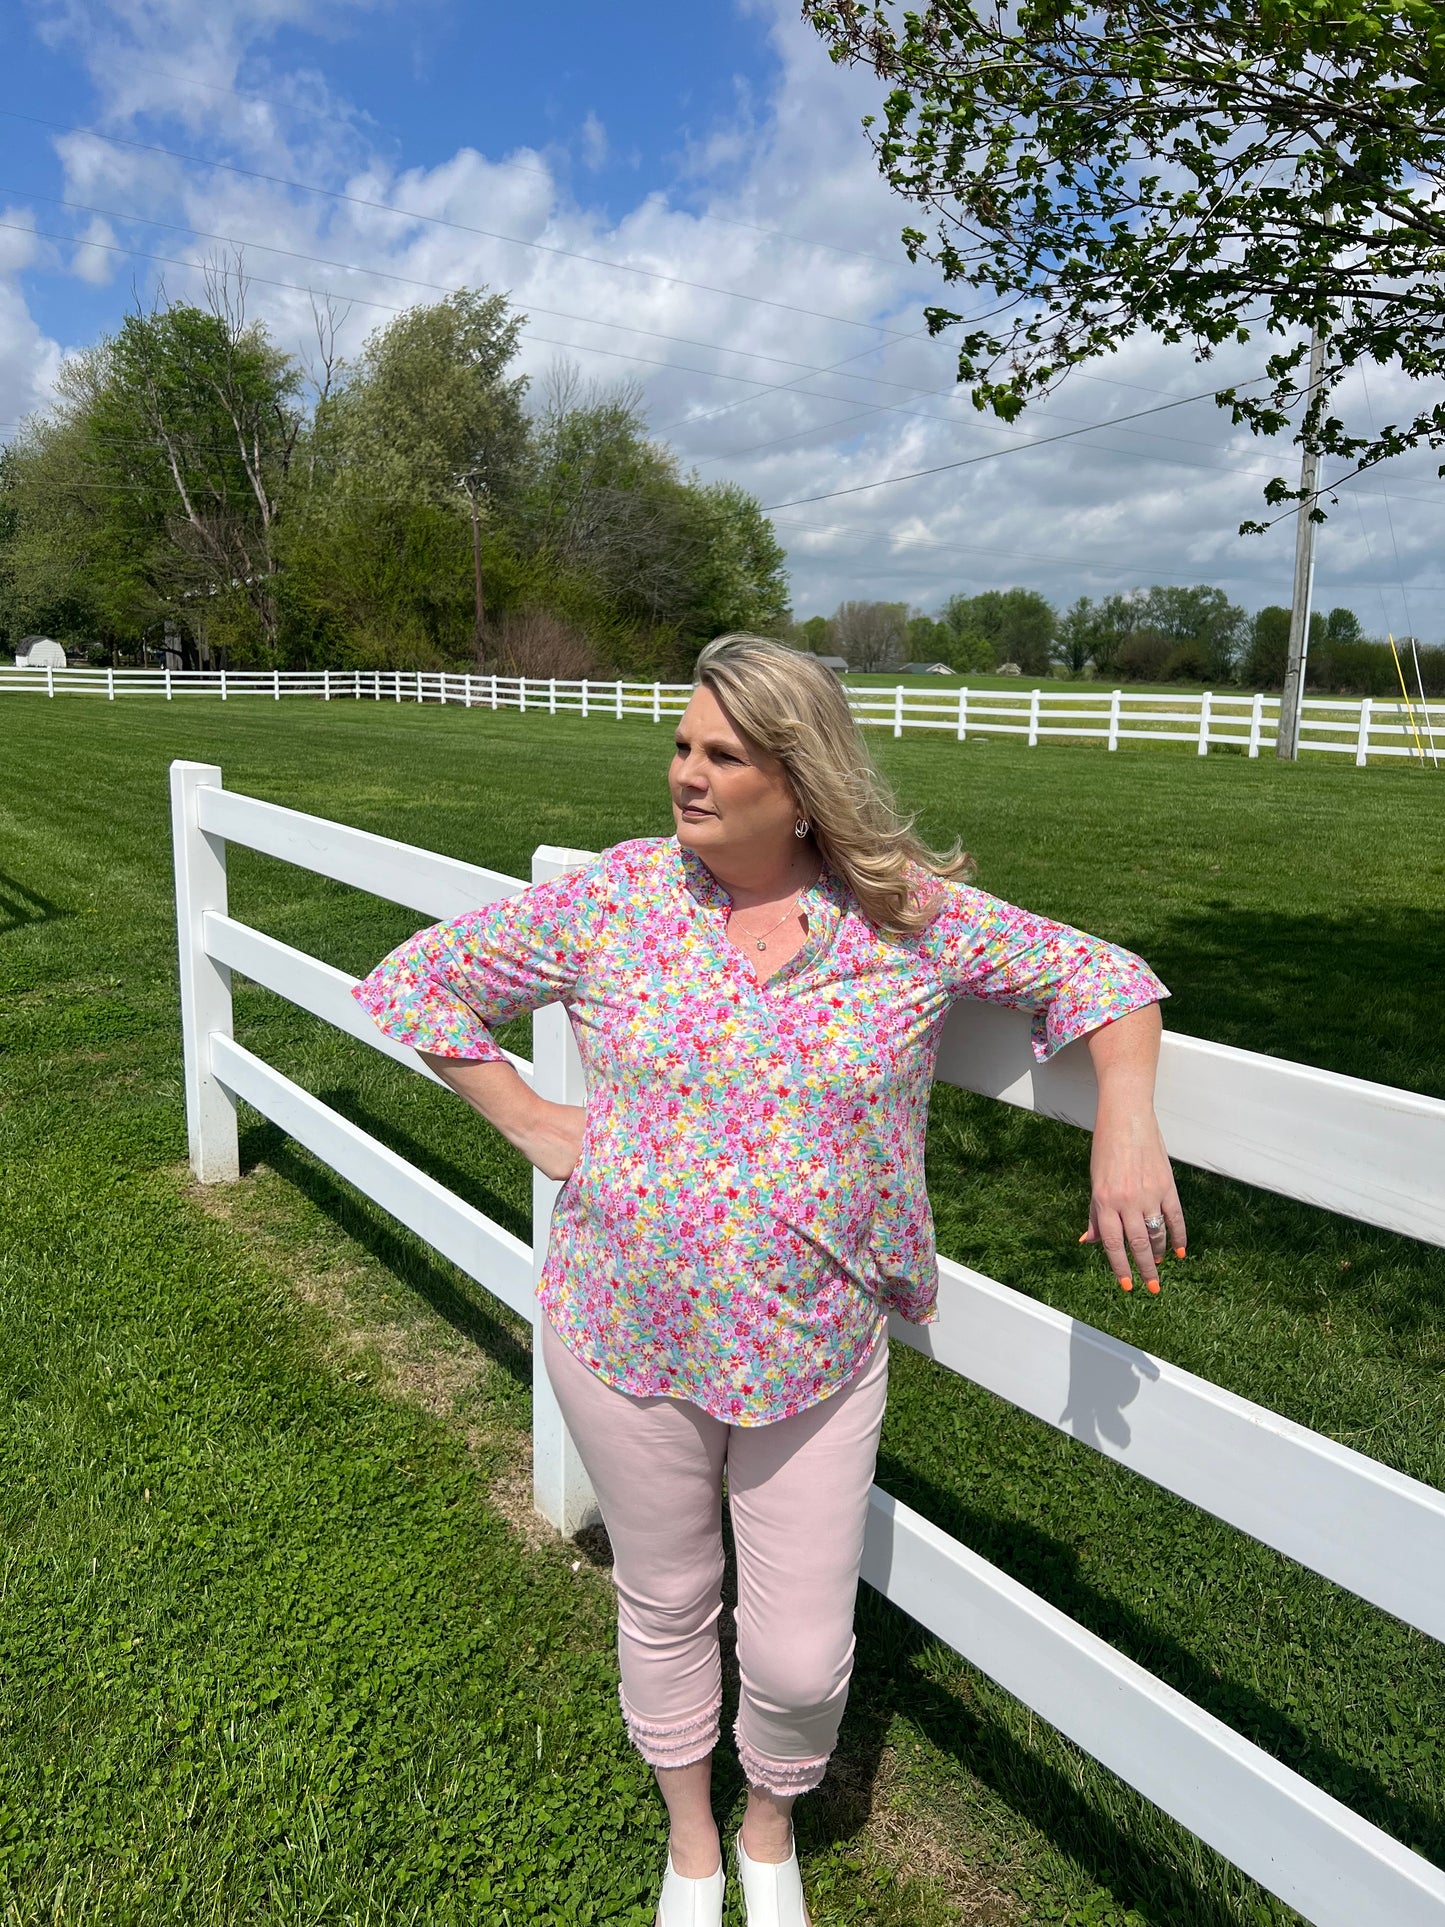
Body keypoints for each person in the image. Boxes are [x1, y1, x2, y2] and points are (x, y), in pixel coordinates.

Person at [352, 633, 1184, 1927]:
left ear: (798, 782)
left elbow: (1103, 978)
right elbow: (416, 983)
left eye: (720, 754)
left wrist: (1122, 1121)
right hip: (623, 1325)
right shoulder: (617, 899)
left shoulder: (905, 916)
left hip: (813, 1351)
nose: (685, 774)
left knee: (795, 1655)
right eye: (683, 745)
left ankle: (768, 1819)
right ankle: (693, 1841)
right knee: (668, 1594)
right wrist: (526, 1121)